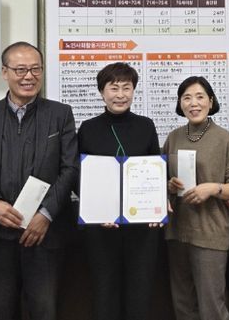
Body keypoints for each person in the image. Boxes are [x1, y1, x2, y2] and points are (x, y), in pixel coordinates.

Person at [0, 42, 79, 320]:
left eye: (36, 69)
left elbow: (70, 168)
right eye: (21, 69)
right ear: (5, 72)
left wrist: (46, 214)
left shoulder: (60, 114)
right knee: (0, 310)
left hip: (44, 234)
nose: (29, 76)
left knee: (44, 310)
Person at [77, 62, 162, 320]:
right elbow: (79, 176)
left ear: (134, 91)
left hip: (142, 228)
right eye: (114, 88)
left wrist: (159, 205)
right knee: (105, 292)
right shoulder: (88, 128)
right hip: (101, 228)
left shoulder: (146, 126)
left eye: (127, 88)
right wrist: (96, 209)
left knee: (140, 292)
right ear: (102, 92)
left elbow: (156, 171)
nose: (121, 95)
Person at [164, 76, 229, 320]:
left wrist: (213, 188)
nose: (193, 103)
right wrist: (169, 185)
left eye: (199, 97)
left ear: (211, 101)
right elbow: (159, 179)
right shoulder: (174, 137)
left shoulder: (224, 138)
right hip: (177, 232)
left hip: (210, 232)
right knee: (183, 305)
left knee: (212, 306)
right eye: (187, 98)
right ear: (180, 103)